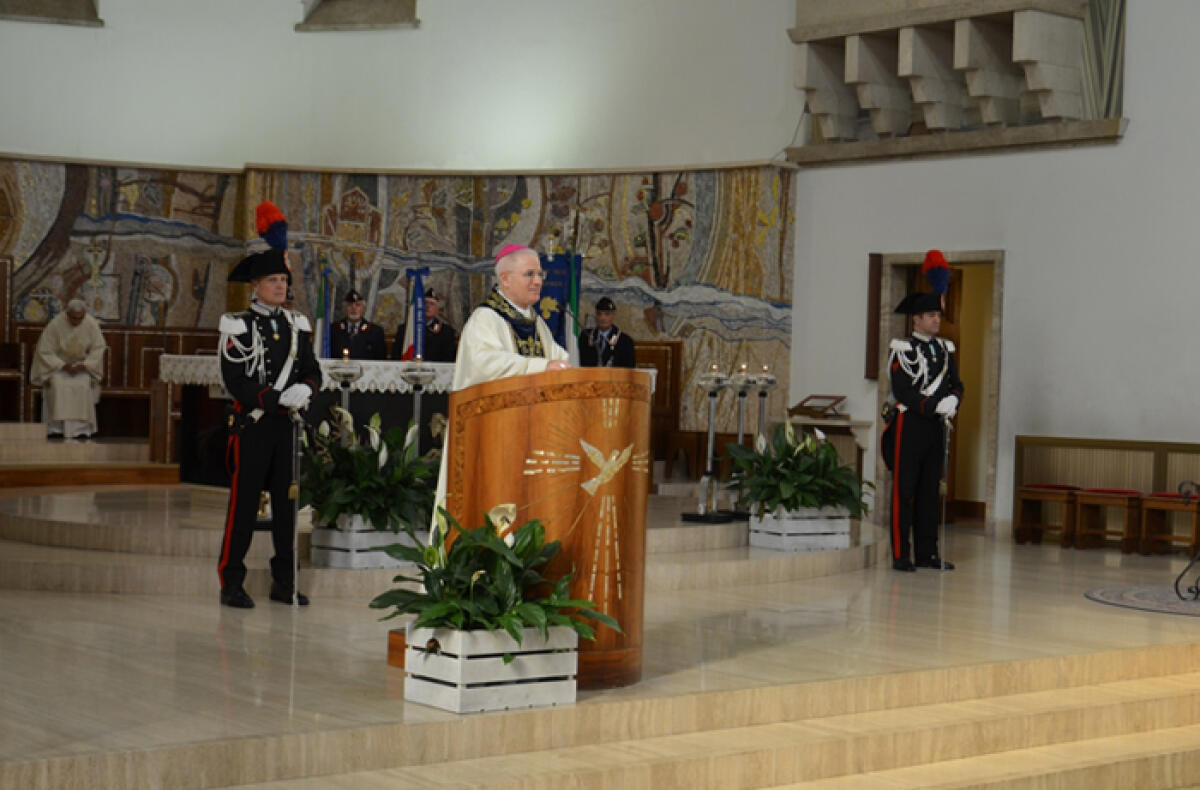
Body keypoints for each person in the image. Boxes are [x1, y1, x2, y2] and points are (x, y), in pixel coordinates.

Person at [216, 202, 322, 609]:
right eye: (273, 280)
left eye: (284, 279)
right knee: (243, 507)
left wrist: (307, 391)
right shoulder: (237, 325)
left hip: (287, 428)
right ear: (256, 285)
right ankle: (231, 582)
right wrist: (277, 397)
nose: (281, 286)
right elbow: (236, 380)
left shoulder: (297, 325)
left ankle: (284, 583)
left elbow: (313, 370)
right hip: (254, 424)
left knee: (287, 509)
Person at [883, 249, 963, 573]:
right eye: (930, 315)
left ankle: (928, 552)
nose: (935, 320)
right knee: (905, 491)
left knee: (931, 490)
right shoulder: (902, 349)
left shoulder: (945, 349)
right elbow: (904, 390)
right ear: (916, 319)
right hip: (909, 424)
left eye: (937, 315)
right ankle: (902, 554)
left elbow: (956, 383)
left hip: (935, 426)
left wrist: (954, 401)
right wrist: (934, 405)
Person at [451, 244, 571, 391]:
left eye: (540, 274)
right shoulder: (485, 318)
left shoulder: (537, 322)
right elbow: (484, 365)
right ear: (505, 279)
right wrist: (541, 367)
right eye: (529, 274)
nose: (538, 282)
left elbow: (559, 360)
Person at [29, 299, 107, 439]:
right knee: (58, 385)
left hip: (81, 367)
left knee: (83, 385)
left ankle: (81, 429)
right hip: (59, 367)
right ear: (67, 314)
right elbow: (44, 350)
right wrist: (63, 365)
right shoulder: (55, 324)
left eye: (80, 318)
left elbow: (99, 348)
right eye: (74, 318)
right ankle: (57, 428)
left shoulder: (90, 323)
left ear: (84, 315)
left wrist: (85, 364)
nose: (77, 321)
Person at [391, 288, 458, 362]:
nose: (427, 306)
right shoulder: (405, 329)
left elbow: (449, 358)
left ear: (437, 310)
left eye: (432, 304)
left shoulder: (446, 331)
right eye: (424, 303)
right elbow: (396, 356)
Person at [579, 296, 636, 368]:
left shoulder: (625, 341)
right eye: (599, 314)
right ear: (595, 316)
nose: (603, 318)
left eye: (607, 314)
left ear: (614, 315)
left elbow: (629, 369)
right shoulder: (586, 336)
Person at [330, 289, 386, 360]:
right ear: (344, 308)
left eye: (358, 305)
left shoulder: (375, 331)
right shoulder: (334, 329)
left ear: (363, 309)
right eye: (350, 305)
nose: (354, 308)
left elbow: (381, 360)